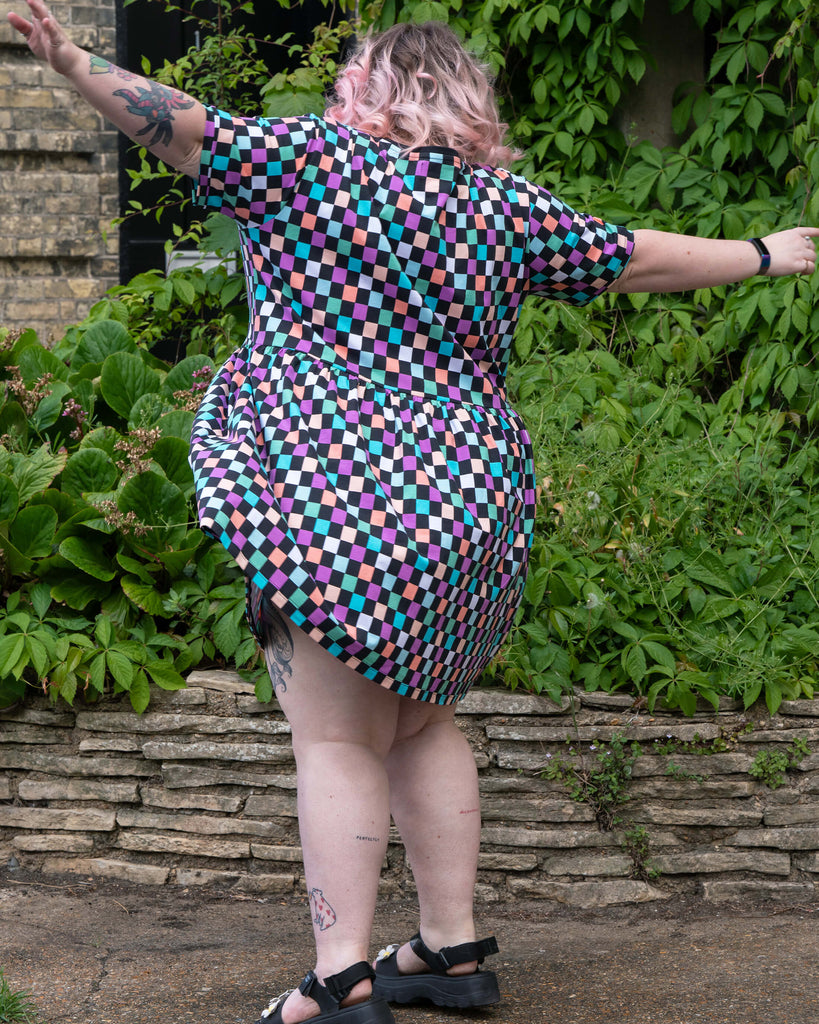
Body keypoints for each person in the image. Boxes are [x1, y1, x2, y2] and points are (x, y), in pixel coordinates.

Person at [9, 3, 818, 1023]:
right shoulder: (503, 207)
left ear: (363, 91)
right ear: (471, 105)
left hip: (338, 486)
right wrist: (759, 250)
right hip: (471, 493)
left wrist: (74, 57)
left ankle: (342, 975)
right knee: (427, 720)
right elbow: (634, 255)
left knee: (338, 740)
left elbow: (179, 124)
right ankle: (447, 948)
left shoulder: (308, 162)